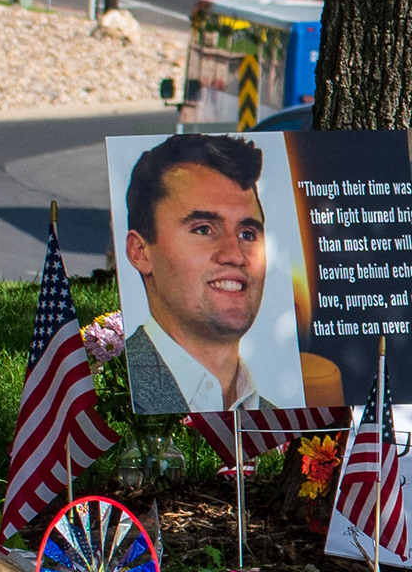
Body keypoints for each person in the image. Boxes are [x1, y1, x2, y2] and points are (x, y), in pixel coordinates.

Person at [117, 132, 339, 413]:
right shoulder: (112, 391)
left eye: (247, 233)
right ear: (140, 252)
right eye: (203, 229)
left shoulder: (278, 421)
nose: (235, 255)